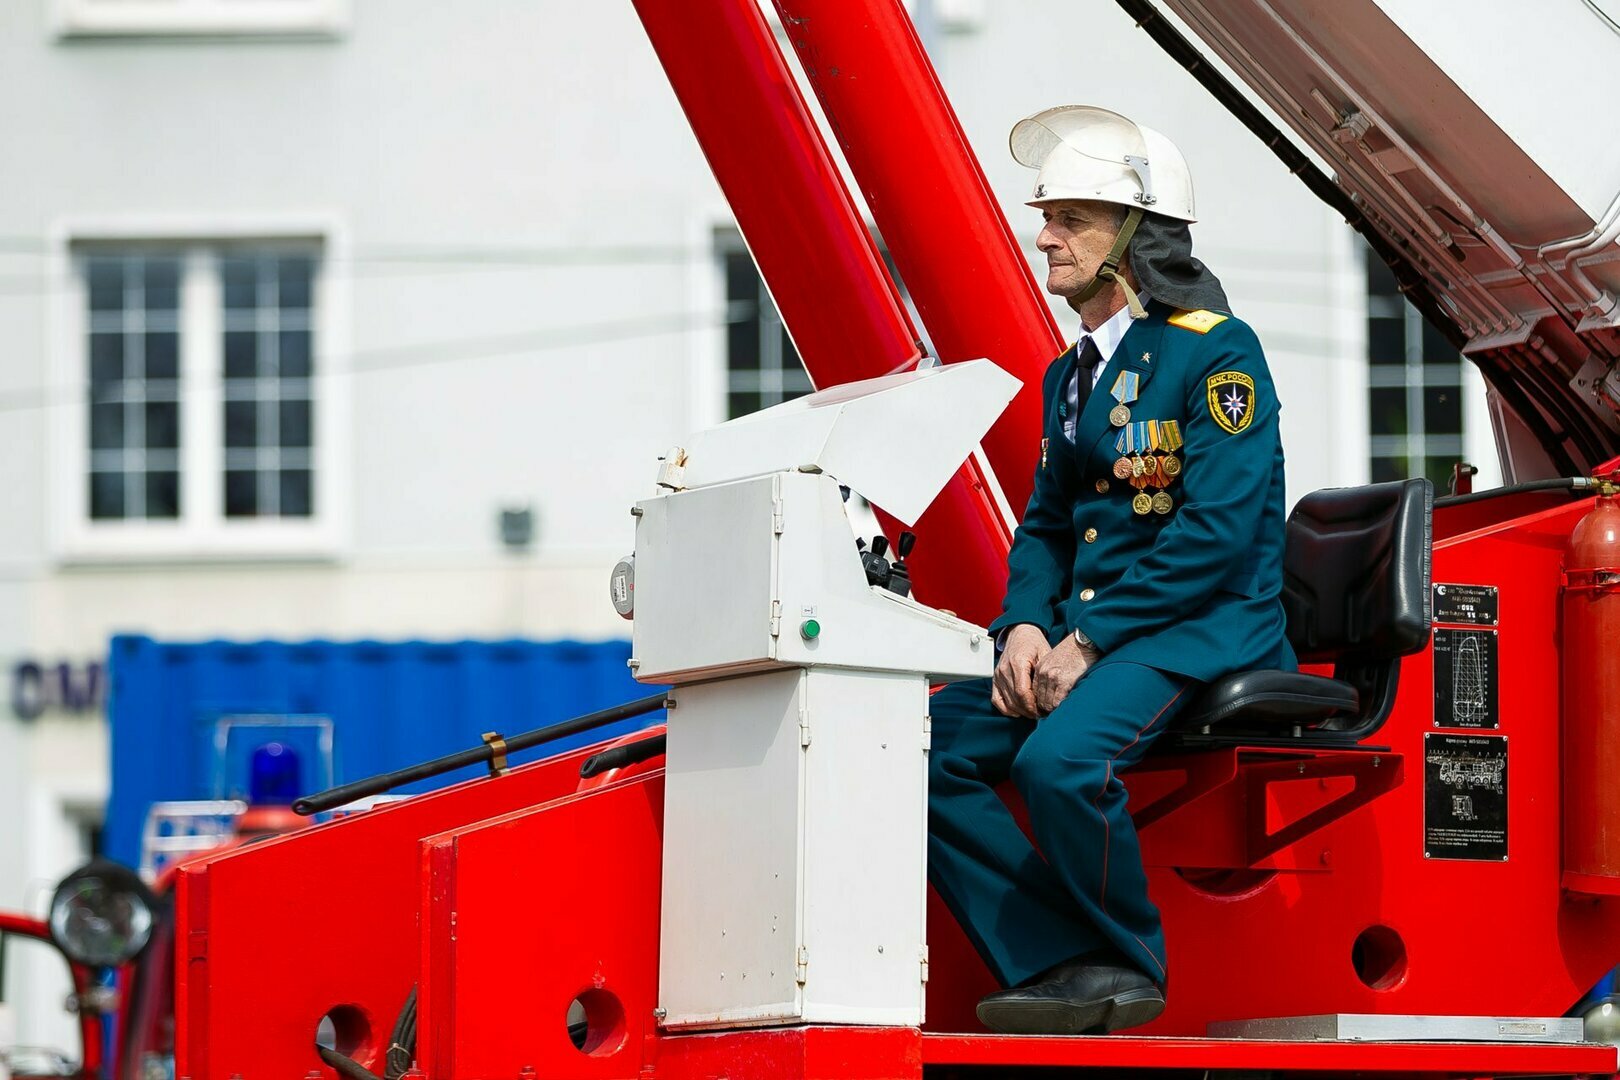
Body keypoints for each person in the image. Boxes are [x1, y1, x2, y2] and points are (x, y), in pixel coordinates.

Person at [926, 104, 1296, 1035]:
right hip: (1102, 632)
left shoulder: (1218, 352)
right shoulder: (1071, 375)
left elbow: (1214, 534)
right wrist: (1020, 626)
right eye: (1045, 215)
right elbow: (1045, 525)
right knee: (915, 747)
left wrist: (1087, 639)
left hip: (1197, 628)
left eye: (1071, 219)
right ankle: (1058, 959)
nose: (1042, 235)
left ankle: (1129, 964)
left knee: (1059, 764)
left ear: (1135, 235)